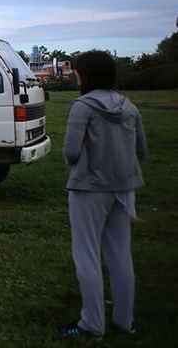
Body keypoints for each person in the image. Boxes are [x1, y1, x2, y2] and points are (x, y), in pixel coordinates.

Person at [59, 50, 145, 338]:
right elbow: (141, 151)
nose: (75, 76)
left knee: (86, 254)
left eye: (78, 72)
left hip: (88, 190)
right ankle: (124, 320)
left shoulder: (83, 106)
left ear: (86, 75)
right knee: (120, 253)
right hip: (124, 187)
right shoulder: (129, 106)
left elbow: (71, 152)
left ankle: (92, 324)